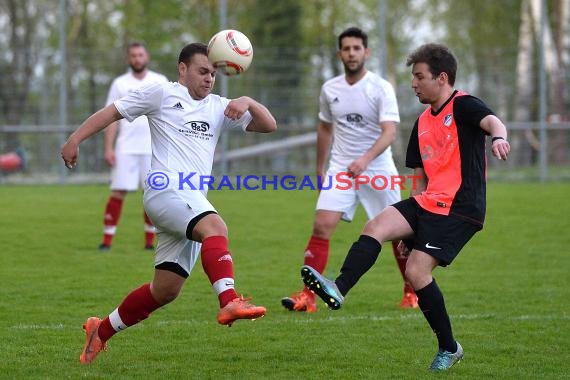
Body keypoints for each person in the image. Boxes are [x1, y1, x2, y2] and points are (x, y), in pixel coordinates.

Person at [61, 42, 277, 365]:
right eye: (203, 71)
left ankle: (100, 330)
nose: (209, 79)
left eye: (214, 73)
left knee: (165, 290)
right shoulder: (161, 94)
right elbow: (112, 112)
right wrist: (74, 139)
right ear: (182, 69)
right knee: (216, 226)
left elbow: (268, 125)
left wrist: (248, 101)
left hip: (190, 200)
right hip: (165, 191)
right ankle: (229, 300)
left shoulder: (218, 106)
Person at [300, 43, 510, 371]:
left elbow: (494, 122)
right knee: (377, 226)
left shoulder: (465, 105)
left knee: (416, 271)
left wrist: (498, 138)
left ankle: (449, 347)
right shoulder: (423, 121)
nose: (413, 83)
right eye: (413, 77)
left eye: (419, 77)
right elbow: (419, 177)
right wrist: (411, 223)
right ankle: (338, 288)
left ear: (442, 78)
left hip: (460, 207)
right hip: (429, 201)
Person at [281, 27, 417, 313]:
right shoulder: (330, 89)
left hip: (378, 168)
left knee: (399, 232)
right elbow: (324, 127)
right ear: (339, 53)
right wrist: (320, 168)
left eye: (357, 48)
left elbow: (390, 132)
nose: (352, 53)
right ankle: (308, 296)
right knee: (322, 225)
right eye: (346, 48)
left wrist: (365, 159)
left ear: (366, 52)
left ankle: (411, 292)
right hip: (341, 168)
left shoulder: (380, 87)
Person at [98, 42, 168, 251]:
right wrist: (108, 148)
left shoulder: (160, 81)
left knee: (152, 193)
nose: (137, 58)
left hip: (153, 148)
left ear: (147, 57)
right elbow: (111, 118)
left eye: (140, 55)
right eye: (133, 56)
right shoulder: (119, 83)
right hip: (126, 147)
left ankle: (149, 242)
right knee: (118, 191)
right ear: (128, 59)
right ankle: (107, 241)